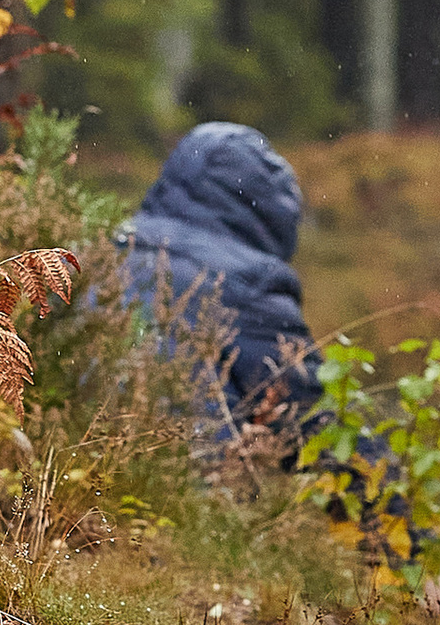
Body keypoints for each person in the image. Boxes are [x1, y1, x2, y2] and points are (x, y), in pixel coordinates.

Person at [113, 121, 322, 443]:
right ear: (274, 210)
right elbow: (322, 430)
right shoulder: (249, 285)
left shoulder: (91, 256)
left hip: (60, 475)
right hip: (188, 484)